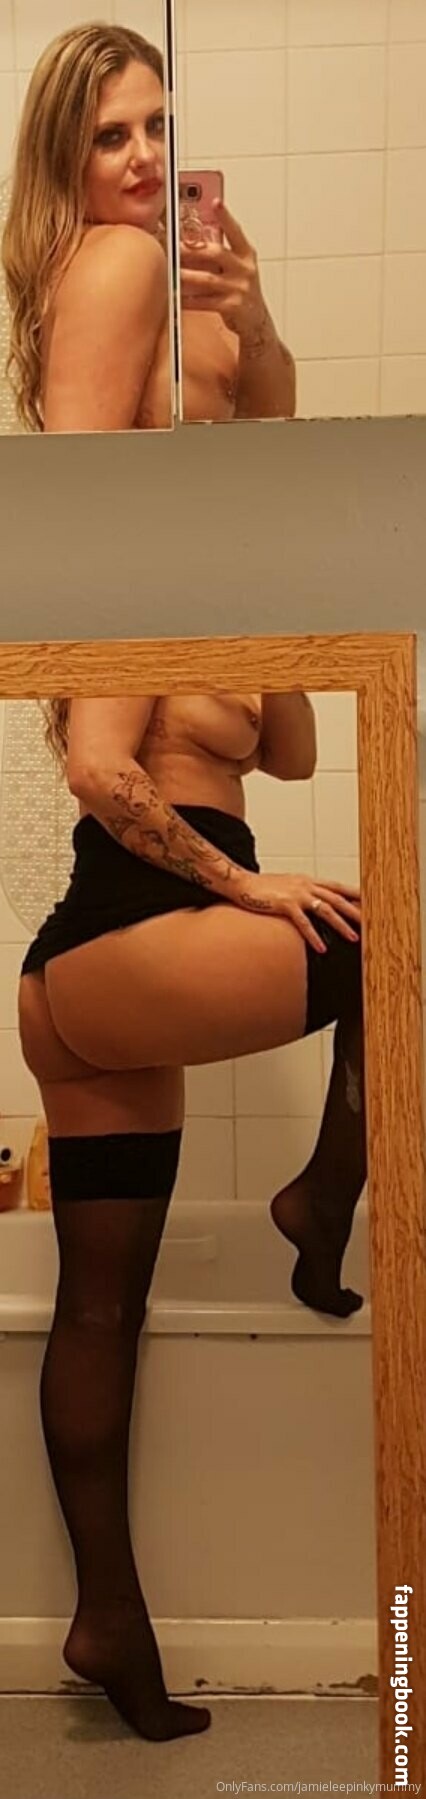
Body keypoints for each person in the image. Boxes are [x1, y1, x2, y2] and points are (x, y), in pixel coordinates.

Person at [18, 690, 366, 1744]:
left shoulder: (235, 649)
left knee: (99, 1311)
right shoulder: (139, 637)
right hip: (131, 932)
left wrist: (278, 661)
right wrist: (246, 884)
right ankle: (319, 1204)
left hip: (101, 977)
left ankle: (109, 1624)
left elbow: (293, 760)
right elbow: (96, 769)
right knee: (381, 938)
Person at [1, 22, 295, 431]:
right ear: (63, 158)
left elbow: (269, 432)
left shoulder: (160, 255)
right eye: (111, 137)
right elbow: (76, 467)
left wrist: (254, 323)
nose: (146, 155)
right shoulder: (123, 257)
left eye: (157, 125)